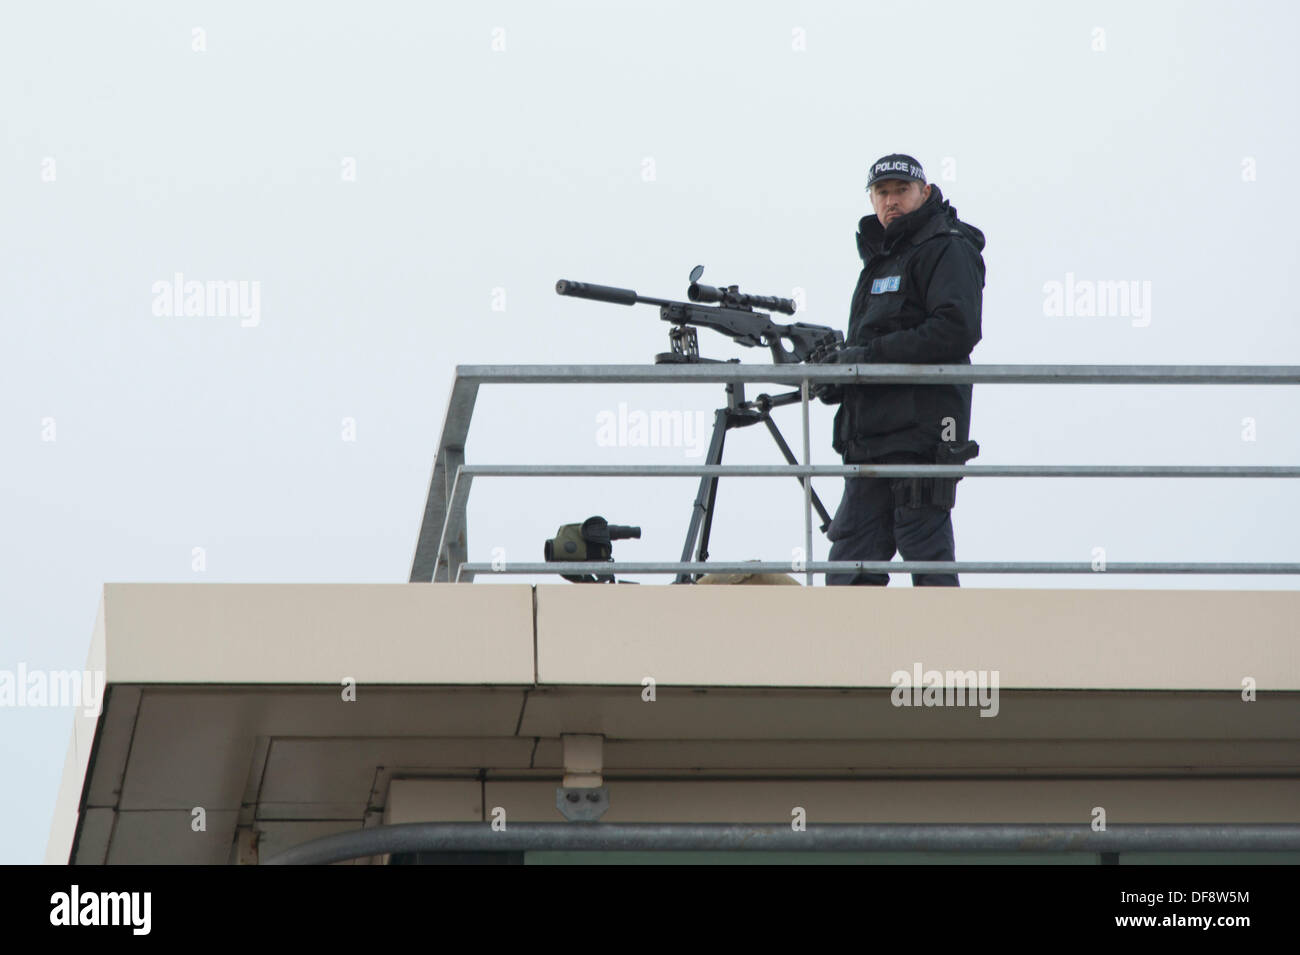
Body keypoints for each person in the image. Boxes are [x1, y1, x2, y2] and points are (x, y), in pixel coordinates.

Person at [813, 153, 985, 586]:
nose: (891, 201)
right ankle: (847, 655)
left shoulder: (947, 246)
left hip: (922, 433)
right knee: (850, 566)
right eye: (882, 193)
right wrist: (840, 376)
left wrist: (863, 361)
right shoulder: (880, 259)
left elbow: (954, 329)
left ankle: (947, 652)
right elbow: (868, 344)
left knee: (925, 554)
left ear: (924, 193)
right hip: (870, 441)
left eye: (901, 191)